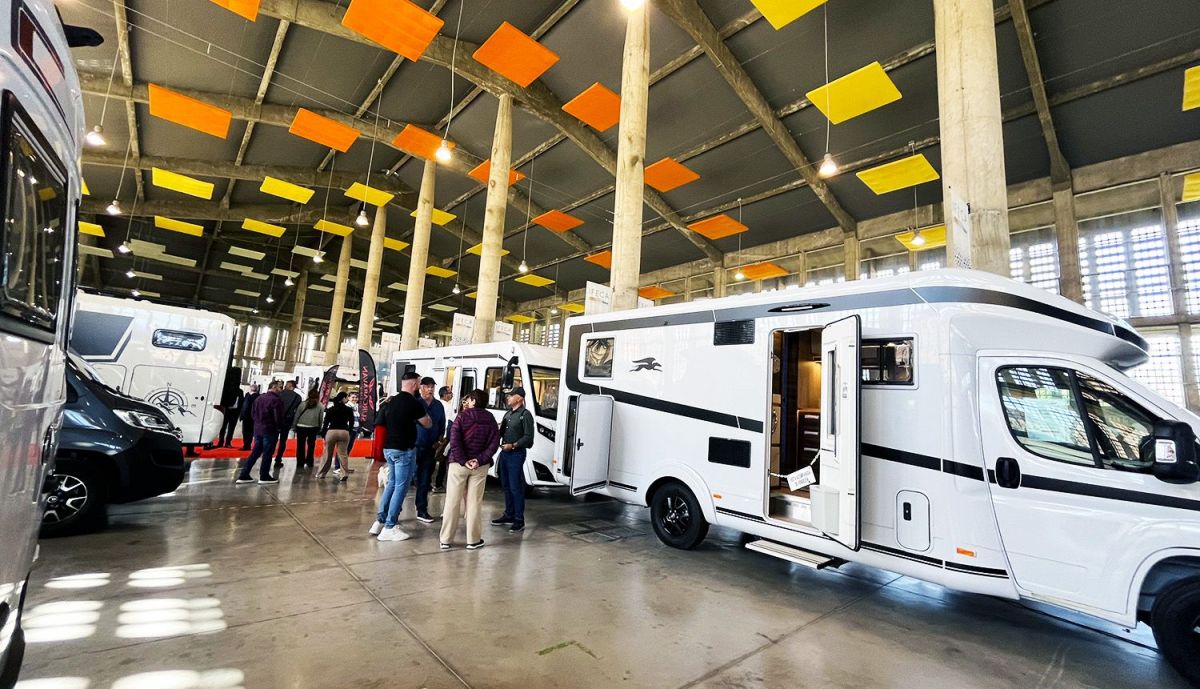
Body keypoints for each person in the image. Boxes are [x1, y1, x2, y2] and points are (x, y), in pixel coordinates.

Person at [369, 372, 431, 542]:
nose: (420, 387)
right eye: (419, 384)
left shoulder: (391, 401)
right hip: (404, 450)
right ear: (413, 384)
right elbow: (427, 423)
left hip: (389, 448)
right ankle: (390, 526)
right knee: (401, 488)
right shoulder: (413, 403)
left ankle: (380, 521)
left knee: (392, 485)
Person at [439, 389, 499, 550]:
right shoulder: (490, 418)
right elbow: (494, 443)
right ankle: (473, 540)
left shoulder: (462, 417)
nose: (467, 401)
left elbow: (455, 440)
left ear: (474, 401)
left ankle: (446, 540)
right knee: (474, 503)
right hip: (479, 467)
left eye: (470, 399)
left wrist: (464, 460)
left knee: (452, 500)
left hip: (458, 465)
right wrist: (479, 460)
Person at [492, 387, 535, 532]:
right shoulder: (508, 414)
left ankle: (519, 519)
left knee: (515, 487)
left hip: (516, 454)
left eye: (511, 395)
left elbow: (529, 438)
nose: (508, 398)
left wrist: (514, 445)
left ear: (520, 398)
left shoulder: (525, 415)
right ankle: (509, 514)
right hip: (504, 453)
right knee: (506, 485)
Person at [235, 381, 284, 484]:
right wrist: (279, 427)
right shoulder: (276, 400)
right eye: (280, 387)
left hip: (258, 429)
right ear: (274, 387)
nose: (281, 389)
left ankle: (244, 474)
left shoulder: (259, 398)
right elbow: (277, 417)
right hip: (270, 429)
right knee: (267, 453)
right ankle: (264, 475)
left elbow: (253, 413)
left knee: (255, 452)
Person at [413, 377, 447, 523]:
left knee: (425, 478)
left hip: (430, 448)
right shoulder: (415, 403)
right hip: (414, 446)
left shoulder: (438, 405)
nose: (430, 389)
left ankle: (422, 509)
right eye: (427, 386)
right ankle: (393, 511)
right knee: (408, 478)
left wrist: (439, 441)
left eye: (432, 386)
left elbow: (442, 424)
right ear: (421, 387)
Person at [317, 392, 354, 480]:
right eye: (346, 397)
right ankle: (344, 474)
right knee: (343, 454)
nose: (347, 399)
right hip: (344, 432)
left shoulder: (330, 409)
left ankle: (321, 473)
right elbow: (351, 422)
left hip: (331, 432)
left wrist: (323, 433)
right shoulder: (348, 410)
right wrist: (349, 431)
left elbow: (325, 423)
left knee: (327, 454)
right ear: (343, 399)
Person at [292, 389, 324, 469]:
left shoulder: (302, 404)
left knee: (300, 445)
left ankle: (300, 462)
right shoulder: (320, 405)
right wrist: (320, 427)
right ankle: (309, 461)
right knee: (311, 445)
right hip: (313, 427)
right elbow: (321, 418)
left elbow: (297, 415)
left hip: (301, 426)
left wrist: (294, 425)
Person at [273, 380, 302, 467]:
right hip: (287, 421)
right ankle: (278, 459)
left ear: (289, 385)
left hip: (276, 420)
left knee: (273, 440)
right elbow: (296, 412)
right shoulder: (298, 397)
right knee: (283, 441)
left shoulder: (279, 394)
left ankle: (268, 456)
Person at [432, 386, 455, 492]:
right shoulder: (448, 407)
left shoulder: (435, 404)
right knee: (442, 460)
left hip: (434, 436)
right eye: (450, 392)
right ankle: (438, 484)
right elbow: (449, 424)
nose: (451, 394)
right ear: (445, 394)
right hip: (444, 438)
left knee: (431, 459)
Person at [239, 384, 261, 450]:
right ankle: (246, 444)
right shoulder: (248, 395)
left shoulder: (254, 396)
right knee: (248, 431)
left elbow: (244, 406)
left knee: (247, 431)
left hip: (249, 416)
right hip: (249, 416)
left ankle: (247, 445)